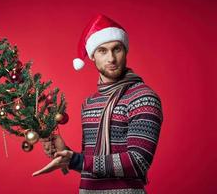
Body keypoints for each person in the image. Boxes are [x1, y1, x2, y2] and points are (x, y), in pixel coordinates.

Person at [33, 14, 163, 194]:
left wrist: (76, 160)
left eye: (117, 49)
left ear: (125, 51)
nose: (111, 58)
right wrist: (65, 153)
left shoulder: (143, 98)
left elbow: (138, 162)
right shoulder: (89, 103)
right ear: (92, 55)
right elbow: (92, 166)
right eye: (102, 50)